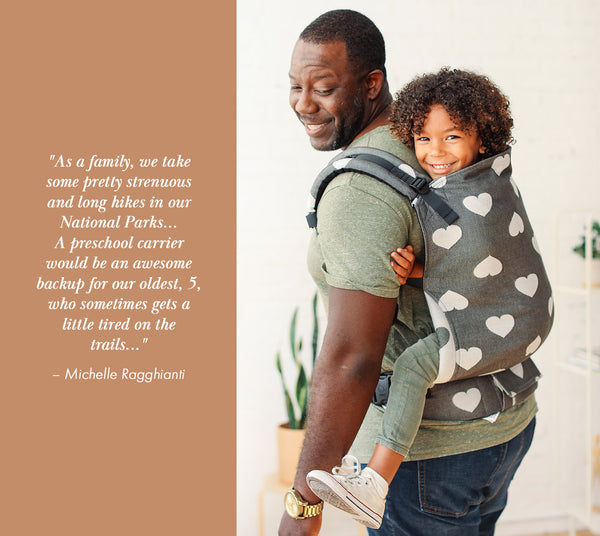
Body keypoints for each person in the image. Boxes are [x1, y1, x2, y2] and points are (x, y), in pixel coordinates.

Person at [279, 10, 537, 536]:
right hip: (505, 426)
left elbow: (353, 357)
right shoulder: (446, 145)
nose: (304, 104)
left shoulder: (360, 189)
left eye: (324, 88)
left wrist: (302, 509)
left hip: (426, 460)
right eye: (294, 87)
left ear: (372, 83)